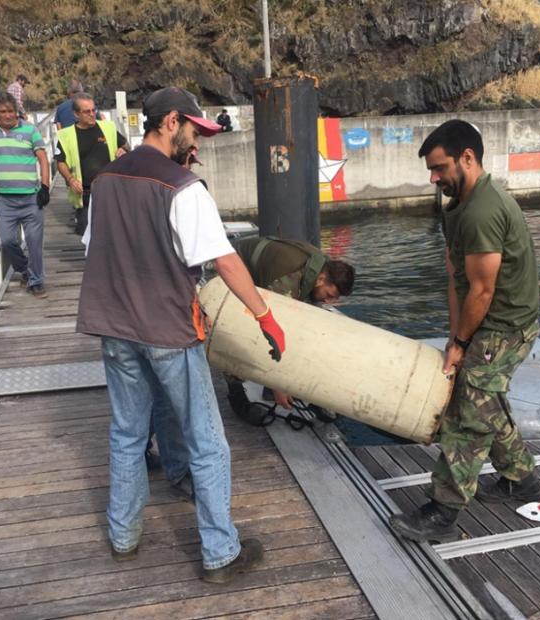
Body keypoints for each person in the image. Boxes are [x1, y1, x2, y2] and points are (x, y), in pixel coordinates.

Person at [77, 86, 286, 584]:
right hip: (168, 330)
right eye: (194, 129)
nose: (197, 142)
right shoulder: (181, 186)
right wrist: (264, 317)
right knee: (207, 442)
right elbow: (225, 260)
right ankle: (219, 554)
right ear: (170, 121)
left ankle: (123, 537)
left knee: (128, 433)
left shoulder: (104, 179)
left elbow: (93, 249)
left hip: (113, 326)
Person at [388, 119, 540, 544]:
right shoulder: (457, 205)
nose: (434, 179)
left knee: (467, 418)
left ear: (468, 158)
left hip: (504, 327)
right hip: (486, 323)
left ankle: (443, 510)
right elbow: (454, 272)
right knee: (486, 402)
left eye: (439, 168)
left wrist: (461, 343)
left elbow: (483, 289)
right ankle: (520, 480)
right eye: (430, 171)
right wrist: (456, 335)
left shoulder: (482, 211)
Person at [225, 236, 355, 415]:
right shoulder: (289, 280)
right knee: (238, 332)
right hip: (232, 266)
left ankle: (304, 391)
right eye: (329, 294)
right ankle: (237, 397)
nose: (328, 300)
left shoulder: (320, 269)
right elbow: (269, 332)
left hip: (264, 270)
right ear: (322, 279)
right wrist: (277, 385)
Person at [0, 92, 52, 298]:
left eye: (11, 111)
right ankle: (25, 269)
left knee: (34, 243)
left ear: (17, 111)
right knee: (8, 242)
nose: (8, 115)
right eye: (3, 112)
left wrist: (44, 187)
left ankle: (36, 281)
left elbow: (43, 158)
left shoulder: (29, 130)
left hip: (30, 198)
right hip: (5, 200)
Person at [54, 93, 128, 235]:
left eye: (94, 110)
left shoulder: (108, 128)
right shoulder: (66, 135)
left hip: (110, 191)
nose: (92, 114)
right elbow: (60, 162)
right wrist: (70, 179)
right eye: (87, 112)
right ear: (76, 114)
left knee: (113, 233)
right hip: (84, 193)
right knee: (85, 234)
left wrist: (123, 150)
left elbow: (127, 146)